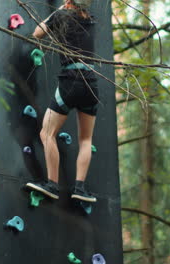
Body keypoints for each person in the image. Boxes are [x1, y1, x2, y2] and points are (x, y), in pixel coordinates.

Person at [26, 0, 98, 203]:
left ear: (68, 2)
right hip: (91, 83)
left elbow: (37, 33)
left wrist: (59, 10)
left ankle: (52, 184)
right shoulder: (92, 21)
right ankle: (80, 189)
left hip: (71, 80)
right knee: (86, 140)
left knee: (47, 133)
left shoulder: (61, 16)